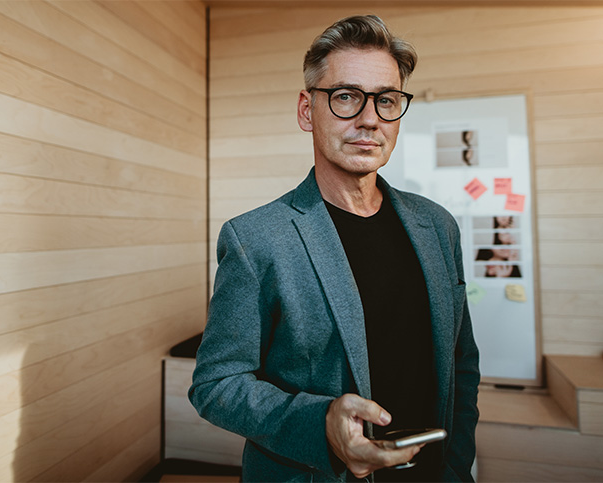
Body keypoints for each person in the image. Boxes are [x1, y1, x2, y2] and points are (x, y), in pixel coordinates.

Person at [189, 15, 480, 482]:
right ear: (307, 110)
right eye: (346, 97)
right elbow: (215, 385)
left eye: (386, 101)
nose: (370, 119)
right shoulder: (256, 239)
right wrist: (319, 423)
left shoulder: (437, 227)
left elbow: (461, 362)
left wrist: (458, 465)